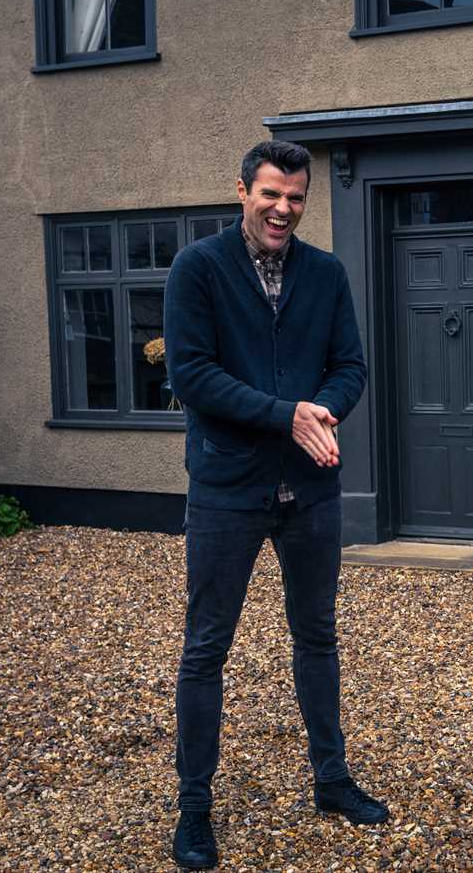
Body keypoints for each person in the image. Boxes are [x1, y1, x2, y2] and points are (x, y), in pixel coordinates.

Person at [164, 140, 381, 870]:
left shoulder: (324, 272)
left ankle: (332, 779)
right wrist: (284, 413)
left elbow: (350, 365)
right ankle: (194, 808)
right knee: (206, 649)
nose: (283, 209)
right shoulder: (199, 268)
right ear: (242, 191)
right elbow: (193, 374)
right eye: (271, 195)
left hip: (310, 489)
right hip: (227, 488)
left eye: (295, 198)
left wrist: (321, 409)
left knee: (316, 637)